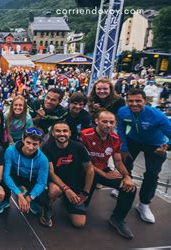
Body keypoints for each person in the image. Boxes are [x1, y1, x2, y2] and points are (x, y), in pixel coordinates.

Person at [117, 88, 171, 224]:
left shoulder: (158, 115)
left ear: (145, 101)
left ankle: (144, 204)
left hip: (156, 145)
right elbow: (121, 129)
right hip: (134, 140)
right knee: (124, 164)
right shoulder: (122, 111)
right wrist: (123, 148)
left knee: (152, 174)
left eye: (138, 101)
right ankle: (123, 188)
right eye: (130, 101)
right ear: (126, 101)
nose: (134, 104)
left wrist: (166, 146)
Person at [80, 111, 137, 239]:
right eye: (104, 121)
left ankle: (117, 219)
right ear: (96, 121)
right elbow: (85, 162)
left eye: (111, 122)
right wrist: (105, 176)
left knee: (130, 188)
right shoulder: (85, 135)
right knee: (81, 207)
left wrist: (127, 176)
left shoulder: (116, 138)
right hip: (84, 171)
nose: (108, 125)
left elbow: (117, 161)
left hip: (102, 170)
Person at [41, 122, 94, 228]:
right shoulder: (47, 148)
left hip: (74, 184)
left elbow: (90, 169)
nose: (62, 134)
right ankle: (48, 207)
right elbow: (51, 173)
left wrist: (85, 192)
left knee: (79, 223)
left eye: (65, 131)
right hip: (56, 183)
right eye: (58, 131)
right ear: (52, 133)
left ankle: (67, 201)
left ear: (69, 133)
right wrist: (66, 189)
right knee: (55, 190)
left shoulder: (79, 147)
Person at [2, 127, 49, 218]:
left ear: (40, 144)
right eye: (28, 142)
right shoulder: (10, 150)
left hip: (31, 178)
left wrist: (30, 197)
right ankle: (5, 200)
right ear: (23, 139)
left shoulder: (43, 159)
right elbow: (6, 175)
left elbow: (42, 183)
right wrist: (19, 194)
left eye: (35, 144)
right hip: (15, 175)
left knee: (43, 200)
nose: (31, 147)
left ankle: (31, 199)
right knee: (2, 182)